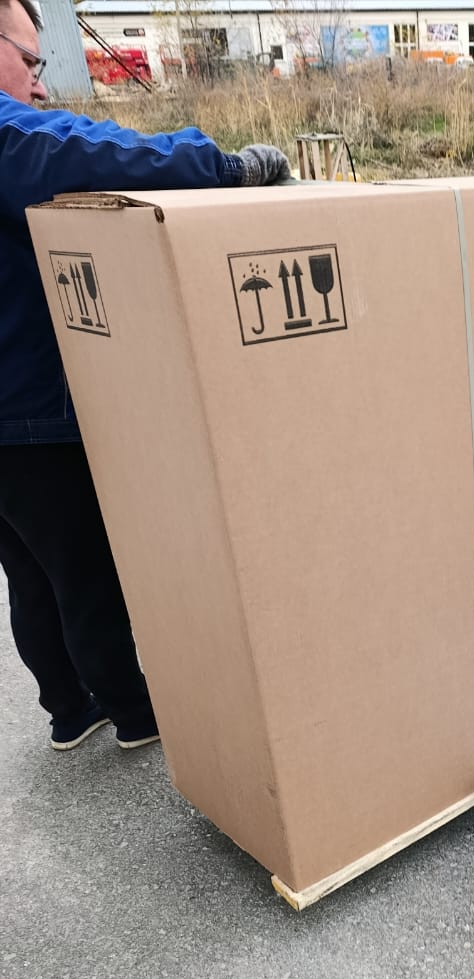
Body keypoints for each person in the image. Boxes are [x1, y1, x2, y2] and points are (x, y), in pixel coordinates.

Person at [0, 0, 289, 750]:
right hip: (25, 410)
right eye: (29, 61)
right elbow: (84, 152)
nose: (39, 82)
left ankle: (69, 711)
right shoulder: (6, 136)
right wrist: (221, 166)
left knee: (30, 568)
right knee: (84, 569)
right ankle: (134, 713)